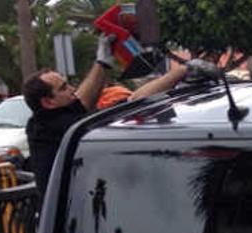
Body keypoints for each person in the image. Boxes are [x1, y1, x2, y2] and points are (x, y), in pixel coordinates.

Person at [24, 36, 215, 198]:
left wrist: (102, 62)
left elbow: (82, 100)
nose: (72, 89)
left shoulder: (45, 120)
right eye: (64, 88)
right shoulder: (59, 126)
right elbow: (132, 102)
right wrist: (181, 72)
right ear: (48, 102)